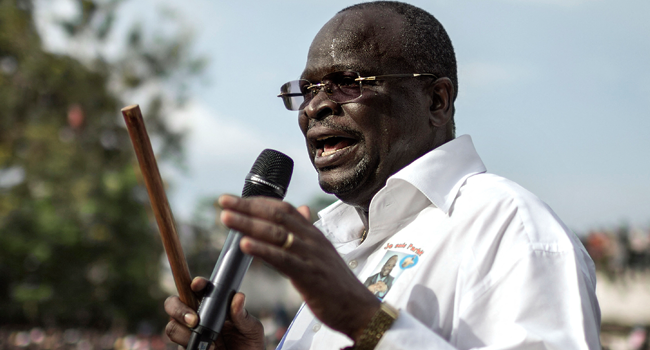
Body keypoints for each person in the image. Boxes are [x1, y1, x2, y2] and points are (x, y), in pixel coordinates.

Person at [164, 1, 601, 350]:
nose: (316, 106)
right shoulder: (346, 238)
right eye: (308, 90)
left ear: (436, 100)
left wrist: (362, 319)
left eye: (348, 81)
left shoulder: (507, 226)